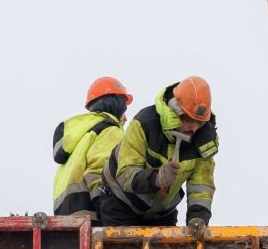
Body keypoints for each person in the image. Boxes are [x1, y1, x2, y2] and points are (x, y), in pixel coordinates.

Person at [99, 77, 219, 228]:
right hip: (121, 203)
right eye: (189, 120)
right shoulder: (144, 123)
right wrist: (157, 178)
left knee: (167, 244)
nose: (194, 128)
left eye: (199, 123)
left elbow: (201, 185)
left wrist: (198, 218)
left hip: (161, 212)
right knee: (125, 244)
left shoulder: (204, 141)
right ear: (176, 111)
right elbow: (125, 174)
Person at [51, 77, 133, 222]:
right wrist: (110, 211)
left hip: (67, 215)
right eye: (124, 110)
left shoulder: (80, 136)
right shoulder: (110, 130)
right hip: (92, 213)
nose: (125, 118)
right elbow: (100, 170)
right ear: (116, 105)